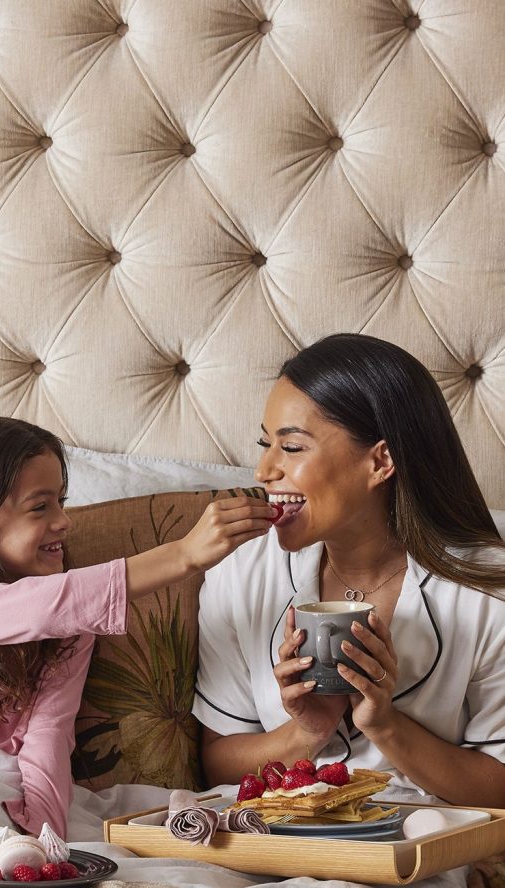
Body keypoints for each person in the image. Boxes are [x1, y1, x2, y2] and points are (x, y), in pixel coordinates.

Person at [0, 415, 278, 837]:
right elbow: (30, 608)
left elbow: (50, 732)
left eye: (61, 501)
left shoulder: (71, 622)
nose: (63, 521)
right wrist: (181, 555)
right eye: (40, 507)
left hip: (5, 798)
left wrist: (47, 834)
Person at [193, 334, 505, 807]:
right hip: (271, 833)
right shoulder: (240, 572)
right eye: (265, 444)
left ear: (380, 461)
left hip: (412, 845)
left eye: (292, 448)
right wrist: (305, 733)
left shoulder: (487, 590)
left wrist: (386, 725)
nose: (263, 470)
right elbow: (217, 759)